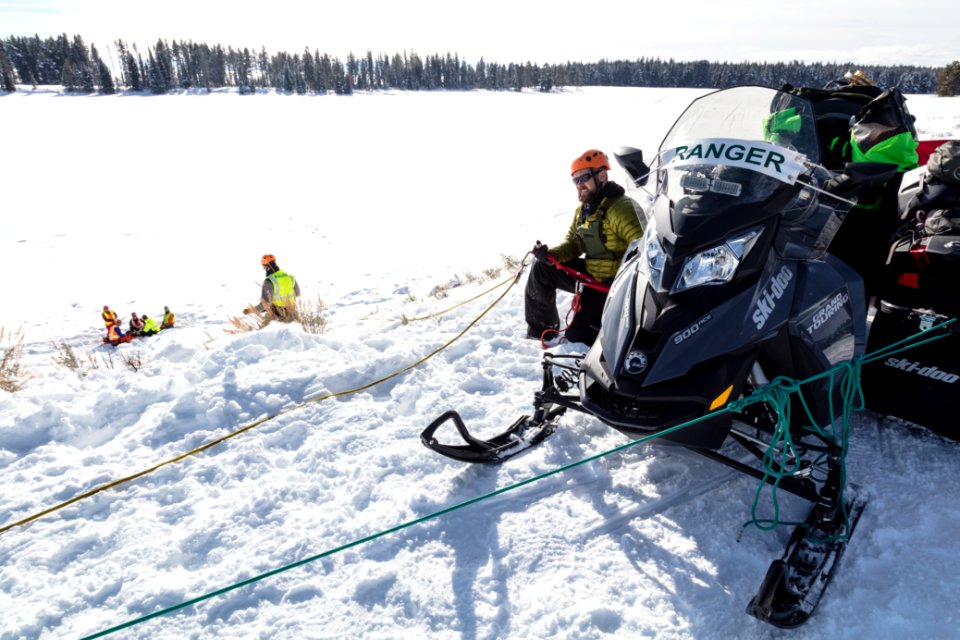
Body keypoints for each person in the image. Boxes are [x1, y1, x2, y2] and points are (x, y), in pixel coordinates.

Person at [525, 149, 645, 346]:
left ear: (602, 175)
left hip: (612, 286)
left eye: (584, 178)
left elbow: (643, 248)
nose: (579, 185)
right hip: (590, 276)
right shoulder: (583, 210)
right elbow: (573, 244)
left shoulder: (622, 208)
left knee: (577, 341)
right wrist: (549, 255)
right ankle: (544, 331)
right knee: (541, 268)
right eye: (576, 180)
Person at [244, 254, 301, 321]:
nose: (264, 269)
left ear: (267, 267)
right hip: (293, 312)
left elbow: (265, 304)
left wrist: (251, 310)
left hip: (278, 315)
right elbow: (298, 293)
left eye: (264, 267)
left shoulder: (269, 281)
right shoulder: (290, 276)